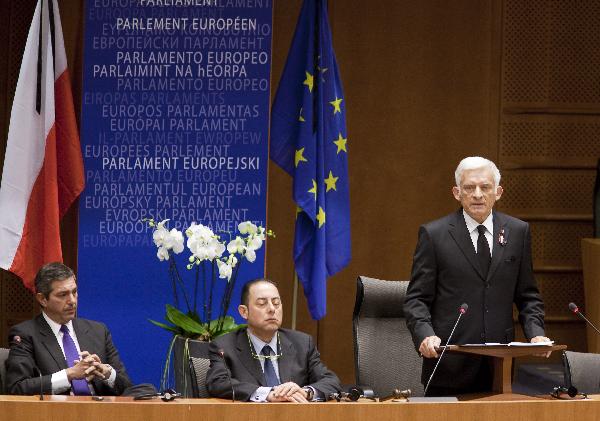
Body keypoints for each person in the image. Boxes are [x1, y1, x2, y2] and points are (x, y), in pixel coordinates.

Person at [403, 156, 550, 396]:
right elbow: (416, 299)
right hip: (449, 364)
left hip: (499, 368)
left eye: (485, 187)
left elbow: (528, 296)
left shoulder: (518, 232)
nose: (478, 194)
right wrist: (425, 335)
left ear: (498, 192)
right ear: (456, 193)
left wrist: (536, 334)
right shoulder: (434, 234)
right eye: (469, 188)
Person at [6, 262, 132, 395]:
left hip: (100, 413)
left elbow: (127, 388)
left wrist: (107, 374)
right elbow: (17, 387)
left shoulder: (99, 331)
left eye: (74, 292)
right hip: (55, 414)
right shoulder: (25, 334)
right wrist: (69, 375)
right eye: (62, 295)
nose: (72, 300)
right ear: (42, 299)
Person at [206, 278, 341, 402]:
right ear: (244, 312)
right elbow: (218, 383)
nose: (272, 309)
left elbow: (331, 381)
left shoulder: (302, 343)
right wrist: (268, 394)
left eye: (276, 303)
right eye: (262, 303)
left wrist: (306, 392)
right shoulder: (224, 346)